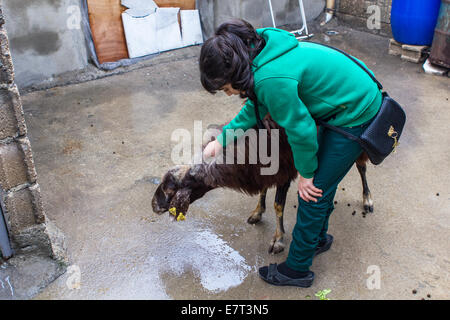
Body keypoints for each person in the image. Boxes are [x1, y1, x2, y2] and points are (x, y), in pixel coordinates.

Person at [200, 19, 382, 287]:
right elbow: (257, 104)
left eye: (227, 88)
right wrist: (223, 140)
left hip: (356, 113)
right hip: (346, 101)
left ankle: (296, 271)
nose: (228, 95)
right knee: (323, 180)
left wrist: (306, 175)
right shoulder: (258, 52)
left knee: (312, 192)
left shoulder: (271, 79)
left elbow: (301, 130)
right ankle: (318, 239)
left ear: (236, 72)